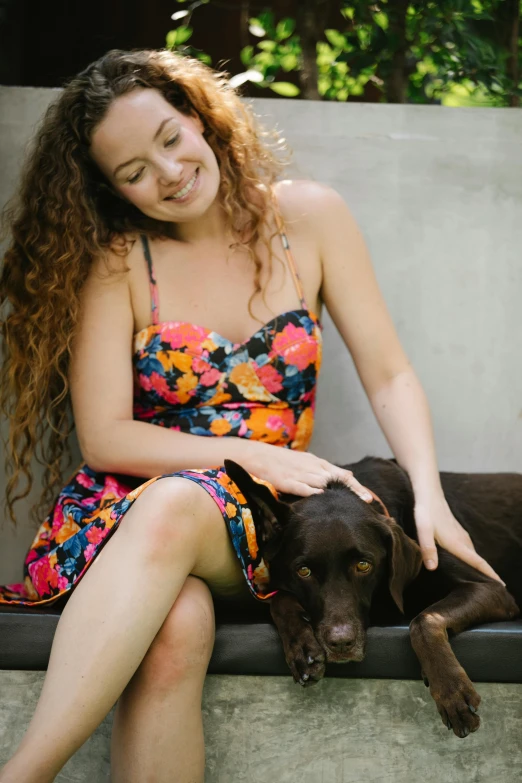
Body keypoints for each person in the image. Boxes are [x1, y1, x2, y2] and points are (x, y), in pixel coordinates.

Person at [0, 48, 501, 783]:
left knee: (180, 605)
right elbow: (106, 435)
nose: (167, 173)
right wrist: (253, 454)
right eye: (134, 171)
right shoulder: (116, 260)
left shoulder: (311, 218)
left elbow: (389, 374)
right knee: (175, 606)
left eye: (170, 139)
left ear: (199, 118)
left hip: (267, 522)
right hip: (140, 506)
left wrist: (430, 498)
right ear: (109, 190)